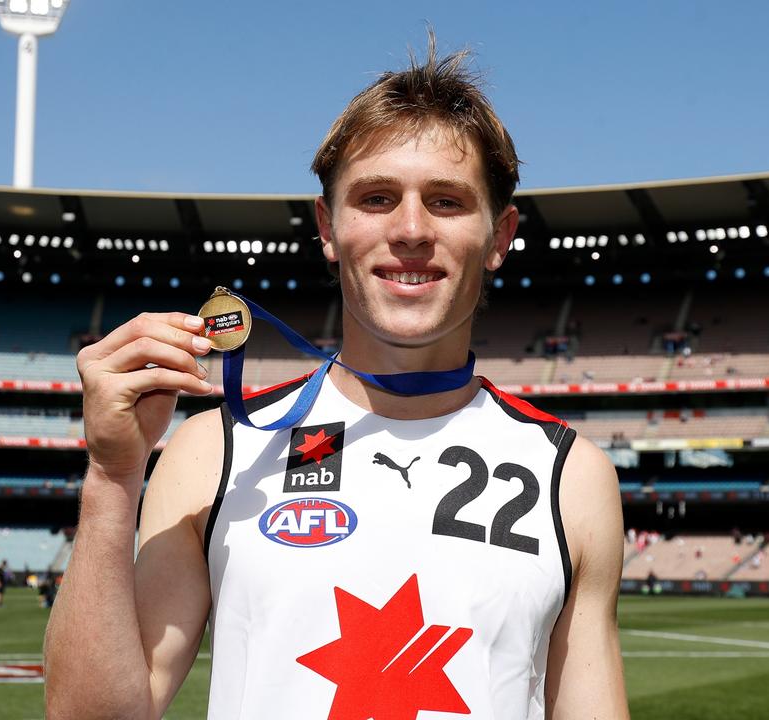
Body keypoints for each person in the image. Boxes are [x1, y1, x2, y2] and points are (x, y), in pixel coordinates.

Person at [44, 36, 627, 719]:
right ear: (328, 226)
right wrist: (112, 476)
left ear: (499, 236)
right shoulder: (217, 449)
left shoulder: (573, 475)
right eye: (377, 198)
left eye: (446, 201)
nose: (411, 229)